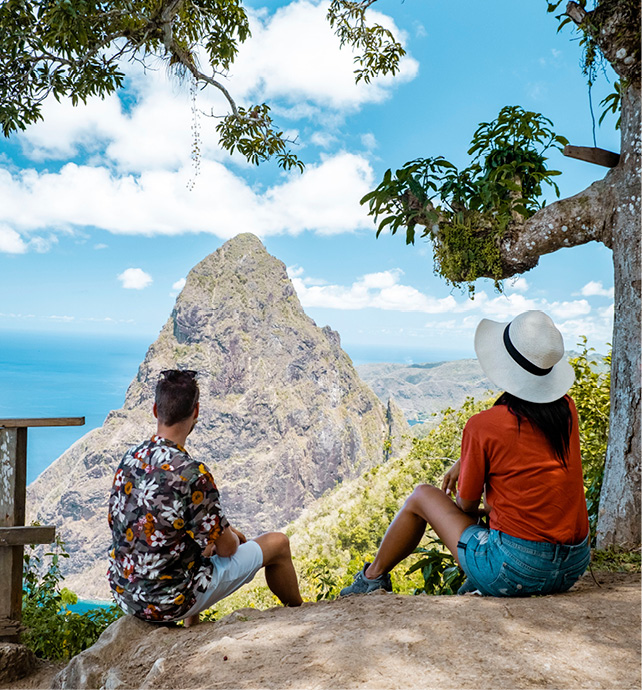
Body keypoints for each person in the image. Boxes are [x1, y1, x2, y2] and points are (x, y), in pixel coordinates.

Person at [340, 310, 590, 598]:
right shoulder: (566, 410)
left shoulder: (483, 425)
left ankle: (371, 579)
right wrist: (467, 459)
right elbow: (526, 453)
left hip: (519, 569)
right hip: (572, 565)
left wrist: (475, 475)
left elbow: (467, 505)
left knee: (421, 495)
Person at [108, 369, 302, 625]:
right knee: (278, 544)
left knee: (196, 540)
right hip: (169, 602)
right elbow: (228, 549)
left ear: (156, 410)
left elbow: (122, 524)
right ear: (196, 412)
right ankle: (302, 612)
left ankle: (193, 627)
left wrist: (212, 536)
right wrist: (230, 534)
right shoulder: (192, 473)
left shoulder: (130, 457)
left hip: (126, 594)